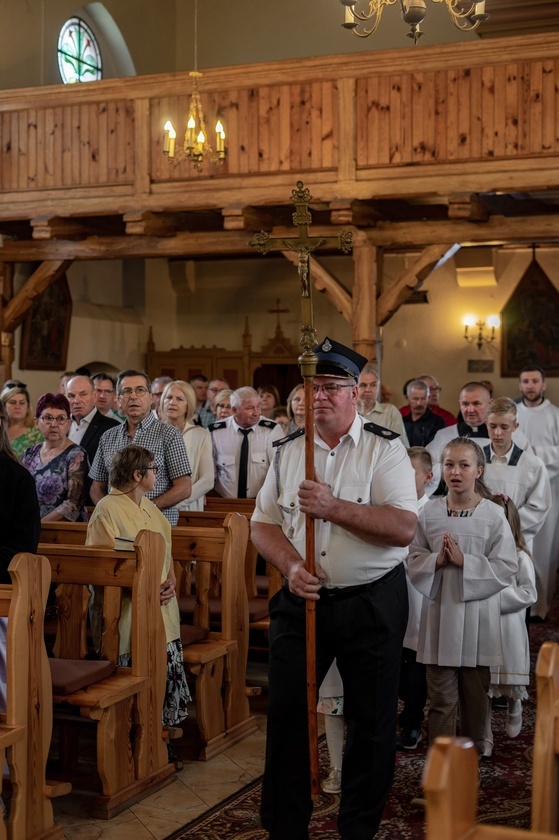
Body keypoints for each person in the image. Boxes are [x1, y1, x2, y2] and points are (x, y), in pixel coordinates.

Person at [251, 337, 418, 840]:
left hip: (371, 600)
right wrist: (289, 565)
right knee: (285, 717)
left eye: (330, 387)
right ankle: (285, 827)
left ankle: (358, 829)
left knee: (370, 723)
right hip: (302, 601)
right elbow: (262, 524)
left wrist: (333, 507)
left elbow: (403, 528)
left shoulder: (384, 450)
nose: (317, 397)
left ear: (356, 395)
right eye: (310, 388)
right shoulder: (287, 451)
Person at [407, 438, 518, 757]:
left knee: (474, 700)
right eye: (449, 464)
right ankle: (440, 769)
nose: (455, 471)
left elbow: (507, 565)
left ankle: (469, 767)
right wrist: (436, 561)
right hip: (440, 617)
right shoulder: (429, 512)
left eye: (464, 465)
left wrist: (465, 562)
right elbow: (413, 556)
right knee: (441, 701)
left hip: (477, 620)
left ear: (478, 471)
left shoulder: (493, 516)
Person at [86, 444, 191, 736]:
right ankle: (132, 741)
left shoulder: (150, 506)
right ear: (137, 474)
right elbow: (101, 571)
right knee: (135, 682)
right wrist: (143, 591)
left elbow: (166, 550)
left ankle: (159, 741)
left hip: (162, 611)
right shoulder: (106, 510)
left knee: (162, 674)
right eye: (153, 470)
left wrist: (170, 581)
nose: (157, 475)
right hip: (126, 614)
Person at [89, 370, 192, 525]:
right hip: (115, 524)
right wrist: (109, 510)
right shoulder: (108, 437)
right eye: (127, 391)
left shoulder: (169, 434)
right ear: (119, 399)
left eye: (140, 390)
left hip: (155, 522)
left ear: (151, 398)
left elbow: (184, 488)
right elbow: (97, 487)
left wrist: (144, 510)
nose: (133, 396)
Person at [482, 494, 536, 757]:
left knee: (511, 671)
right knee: (485, 683)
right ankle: (485, 733)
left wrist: (497, 599)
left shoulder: (520, 556)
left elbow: (529, 593)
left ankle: (515, 704)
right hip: (486, 625)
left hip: (510, 624)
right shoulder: (483, 554)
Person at [426, 381, 527, 496]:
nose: (470, 409)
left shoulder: (511, 436)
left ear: (490, 403)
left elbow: (523, 472)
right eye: (465, 404)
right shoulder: (444, 436)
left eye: (476, 403)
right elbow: (427, 469)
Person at [515, 365, 559, 620]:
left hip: (550, 488)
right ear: (520, 385)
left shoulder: (555, 414)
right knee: (519, 548)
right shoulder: (513, 413)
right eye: (525, 381)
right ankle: (519, 601)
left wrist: (533, 456)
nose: (530, 385)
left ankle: (539, 608)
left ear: (543, 385)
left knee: (545, 549)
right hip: (517, 490)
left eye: (534, 381)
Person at [483, 396, 550, 562]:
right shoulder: (474, 460)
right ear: (486, 423)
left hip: (515, 541)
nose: (497, 433)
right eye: (493, 426)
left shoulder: (532, 465)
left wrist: (505, 526)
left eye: (504, 427)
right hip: (480, 538)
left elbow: (538, 507)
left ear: (515, 426)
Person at [398, 446, 433, 750]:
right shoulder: (391, 506)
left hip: (419, 596)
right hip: (391, 594)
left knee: (414, 663)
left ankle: (412, 722)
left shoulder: (432, 514)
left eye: (409, 473)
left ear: (428, 476)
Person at [21, 393, 88, 521]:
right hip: (28, 527)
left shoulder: (76, 455)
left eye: (61, 418)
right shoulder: (28, 454)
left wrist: (40, 526)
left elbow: (73, 504)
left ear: (69, 424)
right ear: (36, 422)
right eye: (48, 418)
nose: (54, 424)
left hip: (60, 530)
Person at [210, 386, 283, 499]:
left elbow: (279, 470)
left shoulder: (272, 430)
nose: (257, 413)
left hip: (261, 503)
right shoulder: (215, 432)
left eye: (258, 407)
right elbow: (209, 473)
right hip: (223, 502)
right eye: (250, 408)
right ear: (234, 410)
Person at [160, 380, 213, 510]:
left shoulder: (200, 435)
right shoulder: (150, 433)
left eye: (179, 399)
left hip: (188, 507)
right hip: (154, 506)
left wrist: (175, 503)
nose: (172, 402)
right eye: (169, 397)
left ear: (188, 404)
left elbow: (207, 479)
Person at [66, 374, 120, 503]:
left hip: (92, 503)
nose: (76, 400)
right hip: (61, 502)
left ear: (94, 396)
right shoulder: (61, 425)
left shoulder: (112, 428)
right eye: (71, 396)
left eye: (83, 394)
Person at [357, 364, 409, 444]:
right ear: (355, 388)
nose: (368, 389)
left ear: (378, 388)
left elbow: (401, 445)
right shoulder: (346, 412)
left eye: (373, 385)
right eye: (363, 385)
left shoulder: (390, 412)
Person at [1, 385, 43, 456]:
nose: (17, 407)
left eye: (22, 403)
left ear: (28, 406)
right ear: (3, 406)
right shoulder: (1, 429)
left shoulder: (37, 432)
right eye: (13, 402)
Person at [402, 379, 445, 447]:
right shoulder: (402, 422)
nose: (419, 403)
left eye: (423, 399)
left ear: (428, 398)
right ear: (408, 398)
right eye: (415, 399)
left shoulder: (437, 422)